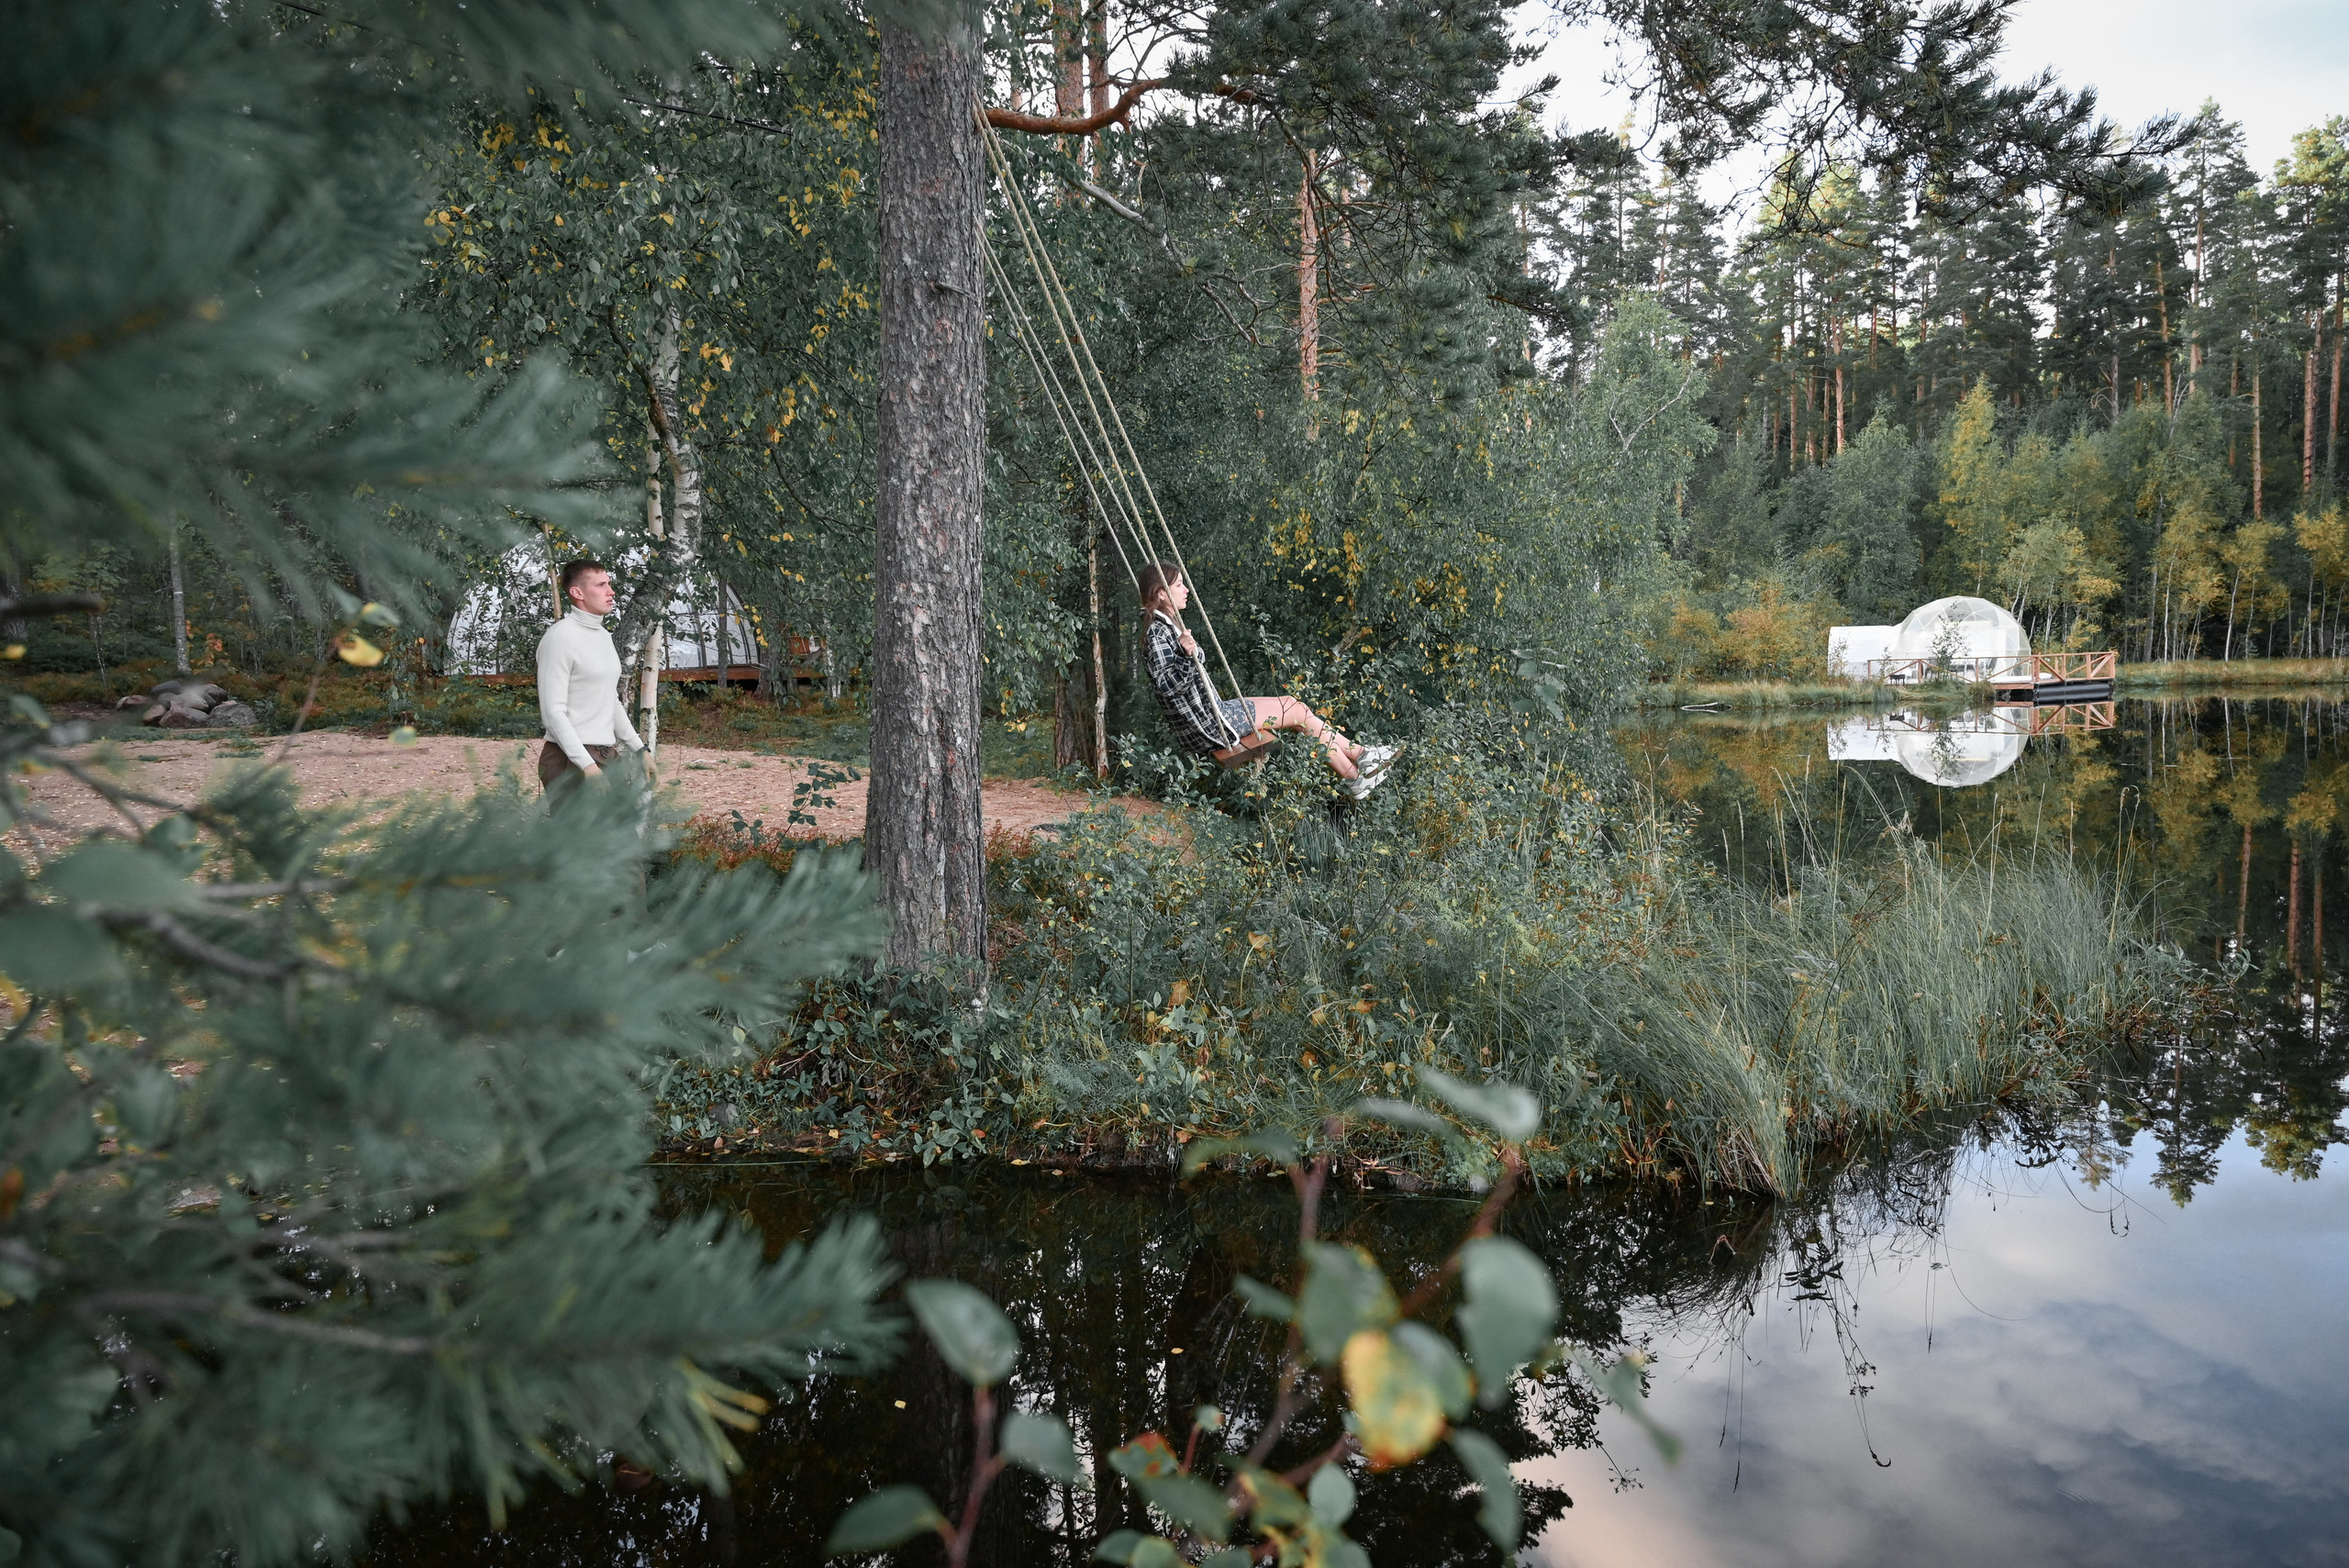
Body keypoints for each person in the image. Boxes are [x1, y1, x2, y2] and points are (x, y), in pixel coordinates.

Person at [1137, 562, 1399, 798]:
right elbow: (1167, 686)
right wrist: (1185, 654)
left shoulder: (1167, 626)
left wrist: (1186, 652)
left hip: (1210, 717)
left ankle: (1357, 774)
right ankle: (1363, 757)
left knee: (1296, 708)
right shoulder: (1157, 633)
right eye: (1179, 585)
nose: (1186, 590)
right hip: (1212, 726)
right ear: (1161, 593)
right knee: (1296, 710)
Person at [536, 559, 651, 795]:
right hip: (570, 760)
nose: (611, 592)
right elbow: (553, 713)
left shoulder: (602, 636)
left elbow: (609, 700)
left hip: (606, 756)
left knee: (623, 832)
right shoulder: (560, 638)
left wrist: (640, 749)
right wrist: (586, 765)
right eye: (600, 585)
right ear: (577, 592)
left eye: (608, 584)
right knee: (581, 832)